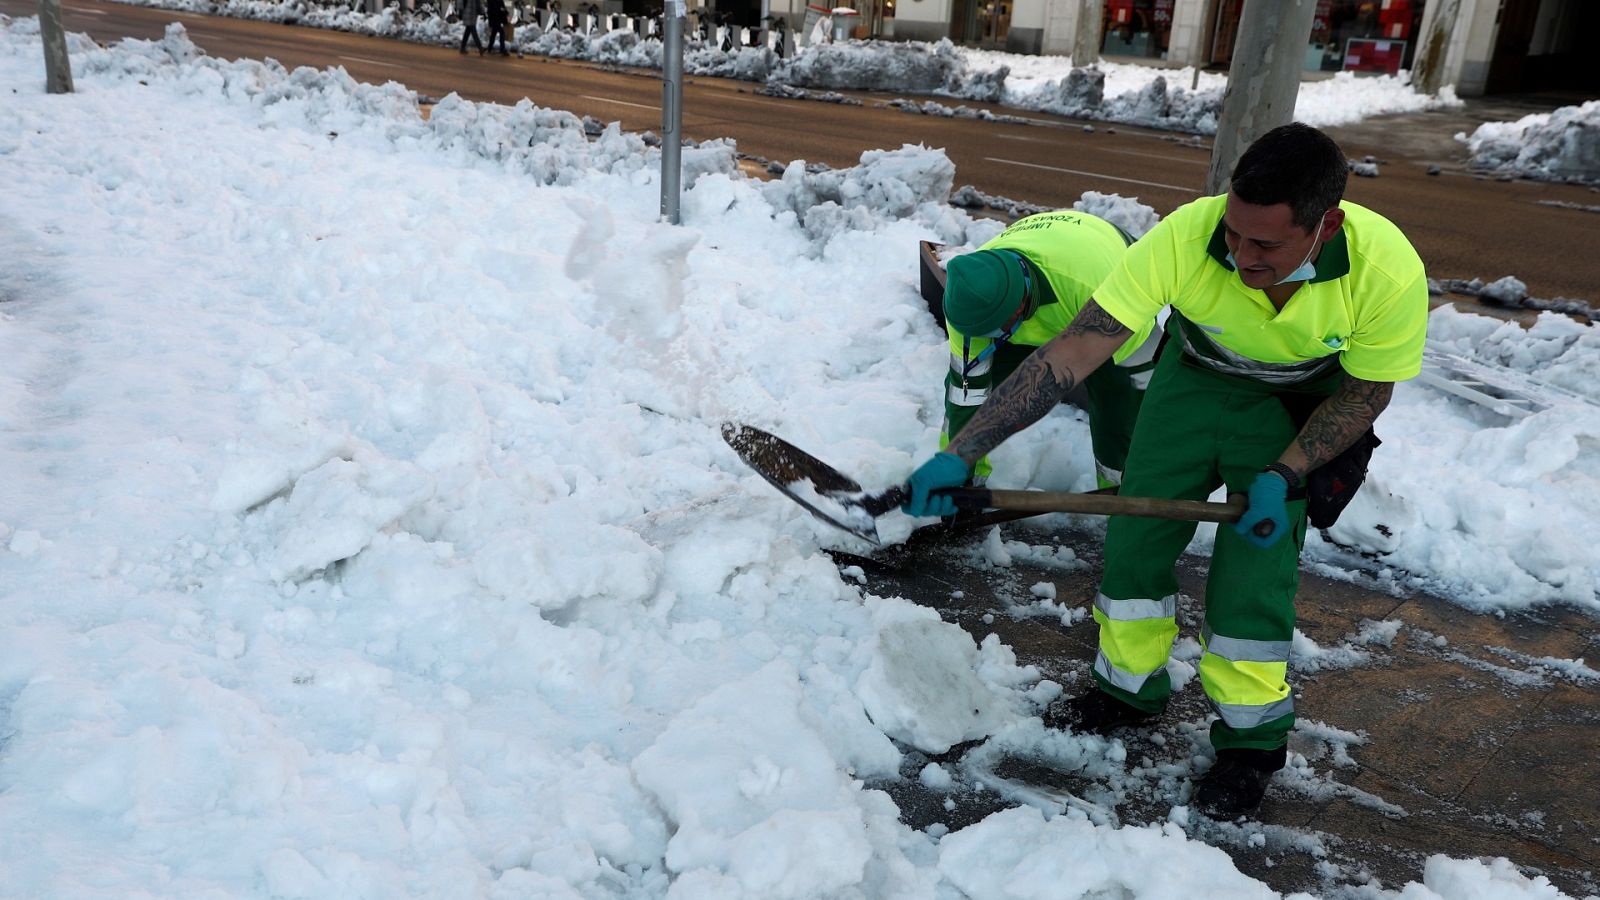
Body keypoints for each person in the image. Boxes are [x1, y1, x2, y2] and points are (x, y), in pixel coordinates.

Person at [902, 123, 1428, 819]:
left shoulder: (1388, 272)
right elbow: (1076, 349)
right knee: (1134, 538)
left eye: (1265, 243)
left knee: (1253, 577)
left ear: (1325, 226)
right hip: (1195, 377)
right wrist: (962, 449)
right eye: (1235, 234)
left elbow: (1364, 393)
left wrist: (1285, 472)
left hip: (1294, 403)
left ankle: (1250, 744)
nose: (1239, 255)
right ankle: (1125, 689)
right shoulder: (1188, 236)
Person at [934, 210, 1161, 502]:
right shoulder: (968, 302)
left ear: (1018, 308)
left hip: (1097, 274)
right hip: (1047, 260)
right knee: (975, 395)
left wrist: (1146, 455)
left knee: (1118, 399)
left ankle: (1121, 489)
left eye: (994, 329)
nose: (983, 337)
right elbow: (967, 396)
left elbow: (1139, 377)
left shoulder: (1094, 290)